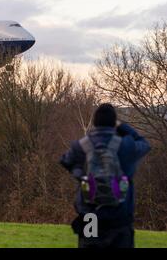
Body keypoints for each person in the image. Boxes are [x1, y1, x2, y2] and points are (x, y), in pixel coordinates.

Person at [60, 103, 150, 248]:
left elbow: (65, 160)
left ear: (95, 122)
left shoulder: (81, 146)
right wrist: (121, 126)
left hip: (90, 218)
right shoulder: (126, 145)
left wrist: (79, 173)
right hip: (120, 218)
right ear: (113, 123)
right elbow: (144, 144)